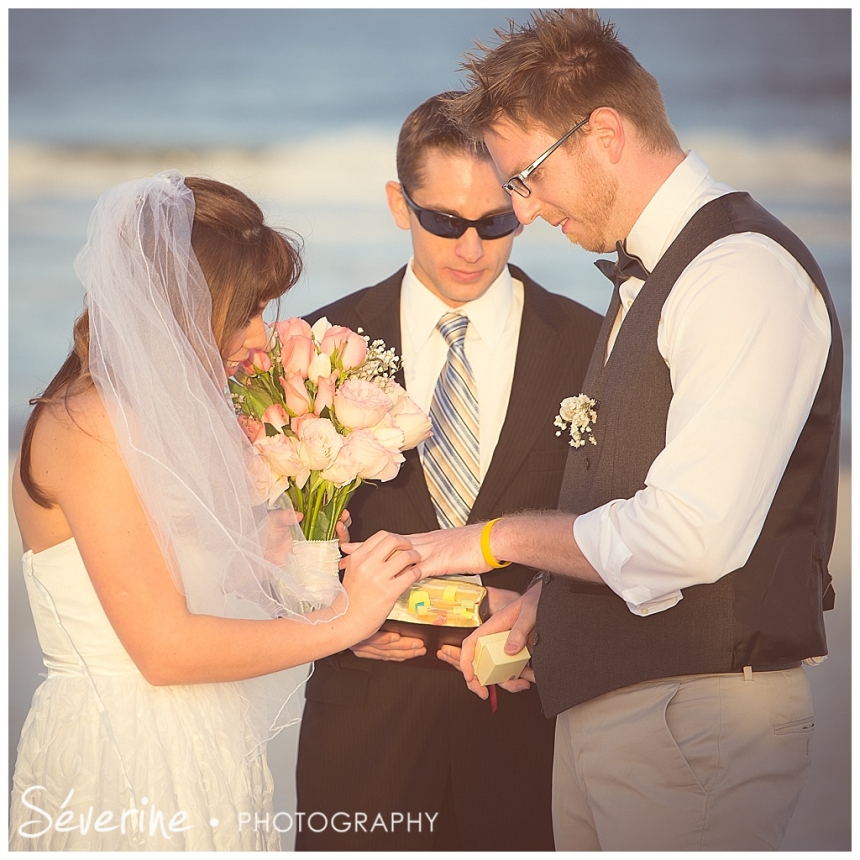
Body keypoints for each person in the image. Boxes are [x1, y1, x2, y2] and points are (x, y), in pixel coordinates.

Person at [389, 11, 843, 852]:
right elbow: (637, 503)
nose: (521, 210)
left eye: (525, 176)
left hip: (696, 721)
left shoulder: (739, 274)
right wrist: (542, 606)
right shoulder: (656, 271)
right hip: (628, 720)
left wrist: (488, 540)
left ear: (603, 133)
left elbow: (691, 535)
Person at [9, 171, 423, 851]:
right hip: (127, 765)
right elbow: (166, 650)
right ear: (184, 304)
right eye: (247, 310)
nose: (262, 338)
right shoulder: (89, 424)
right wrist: (344, 621)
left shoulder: (158, 418)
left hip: (204, 751)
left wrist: (271, 570)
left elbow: (187, 596)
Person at [293, 92, 602, 851]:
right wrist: (325, 613)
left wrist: (544, 604)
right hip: (363, 733)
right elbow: (263, 534)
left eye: (495, 222)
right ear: (400, 204)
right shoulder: (321, 347)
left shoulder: (595, 346)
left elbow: (625, 526)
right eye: (444, 221)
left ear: (523, 207)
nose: (471, 248)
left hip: (530, 732)